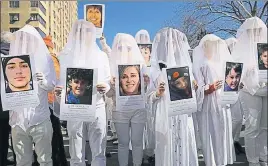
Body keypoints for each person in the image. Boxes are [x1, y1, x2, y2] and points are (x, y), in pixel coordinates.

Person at [56, 20, 111, 166]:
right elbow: (61, 83)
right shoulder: (65, 56)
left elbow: (107, 80)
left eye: (86, 32)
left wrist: (105, 87)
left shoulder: (101, 56)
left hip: (97, 105)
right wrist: (59, 93)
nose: (82, 36)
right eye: (79, 32)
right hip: (74, 108)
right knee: (76, 151)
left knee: (98, 149)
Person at [149, 27, 198, 166]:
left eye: (174, 43)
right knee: (166, 144)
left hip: (183, 111)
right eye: (168, 43)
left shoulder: (186, 67)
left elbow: (194, 94)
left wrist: (194, 87)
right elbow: (149, 95)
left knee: (184, 140)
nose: (171, 46)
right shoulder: (155, 69)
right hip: (165, 112)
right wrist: (157, 93)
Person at [8, 25, 56, 166]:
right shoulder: (10, 63)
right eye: (22, 39)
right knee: (22, 161)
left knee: (45, 160)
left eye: (29, 39)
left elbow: (51, 85)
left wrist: (43, 81)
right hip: (18, 120)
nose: (25, 42)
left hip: (39, 119)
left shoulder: (46, 60)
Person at [193, 34, 236, 166]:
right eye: (207, 46)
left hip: (222, 102)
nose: (211, 48)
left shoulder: (223, 63)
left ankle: (222, 161)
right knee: (209, 133)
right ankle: (211, 162)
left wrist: (235, 85)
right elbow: (197, 88)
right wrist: (208, 88)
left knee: (222, 132)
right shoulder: (200, 65)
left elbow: (231, 80)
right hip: (208, 104)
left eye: (213, 46)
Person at [107, 33, 148, 166]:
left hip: (138, 109)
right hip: (120, 109)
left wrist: (146, 82)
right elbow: (107, 94)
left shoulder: (141, 66)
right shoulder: (110, 66)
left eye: (128, 48)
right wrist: (112, 85)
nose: (124, 51)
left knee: (137, 141)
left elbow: (147, 90)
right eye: (120, 48)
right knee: (123, 143)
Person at [231, 16, 267, 166]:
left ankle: (264, 156)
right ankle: (253, 160)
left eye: (258, 30)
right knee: (252, 126)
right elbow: (233, 71)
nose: (255, 33)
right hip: (248, 90)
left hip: (266, 89)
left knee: (265, 126)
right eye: (252, 31)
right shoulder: (240, 49)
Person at [43, 35, 68, 166]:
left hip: (49, 101)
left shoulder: (50, 59)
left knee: (52, 135)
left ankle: (57, 160)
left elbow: (55, 80)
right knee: (55, 134)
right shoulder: (54, 59)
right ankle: (59, 160)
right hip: (52, 101)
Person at [225, 37, 245, 155]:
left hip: (239, 92)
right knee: (233, 119)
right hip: (228, 92)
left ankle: (235, 141)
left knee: (238, 118)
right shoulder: (224, 60)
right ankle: (229, 142)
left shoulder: (240, 59)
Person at [0, 31, 16, 166]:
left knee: (2, 135)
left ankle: (2, 159)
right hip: (14, 103)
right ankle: (19, 159)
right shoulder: (16, 58)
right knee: (16, 136)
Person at [99, 34, 118, 145]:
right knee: (107, 114)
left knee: (114, 113)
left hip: (114, 89)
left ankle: (119, 135)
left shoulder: (112, 59)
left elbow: (107, 51)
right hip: (105, 89)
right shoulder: (102, 60)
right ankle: (113, 135)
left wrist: (103, 42)